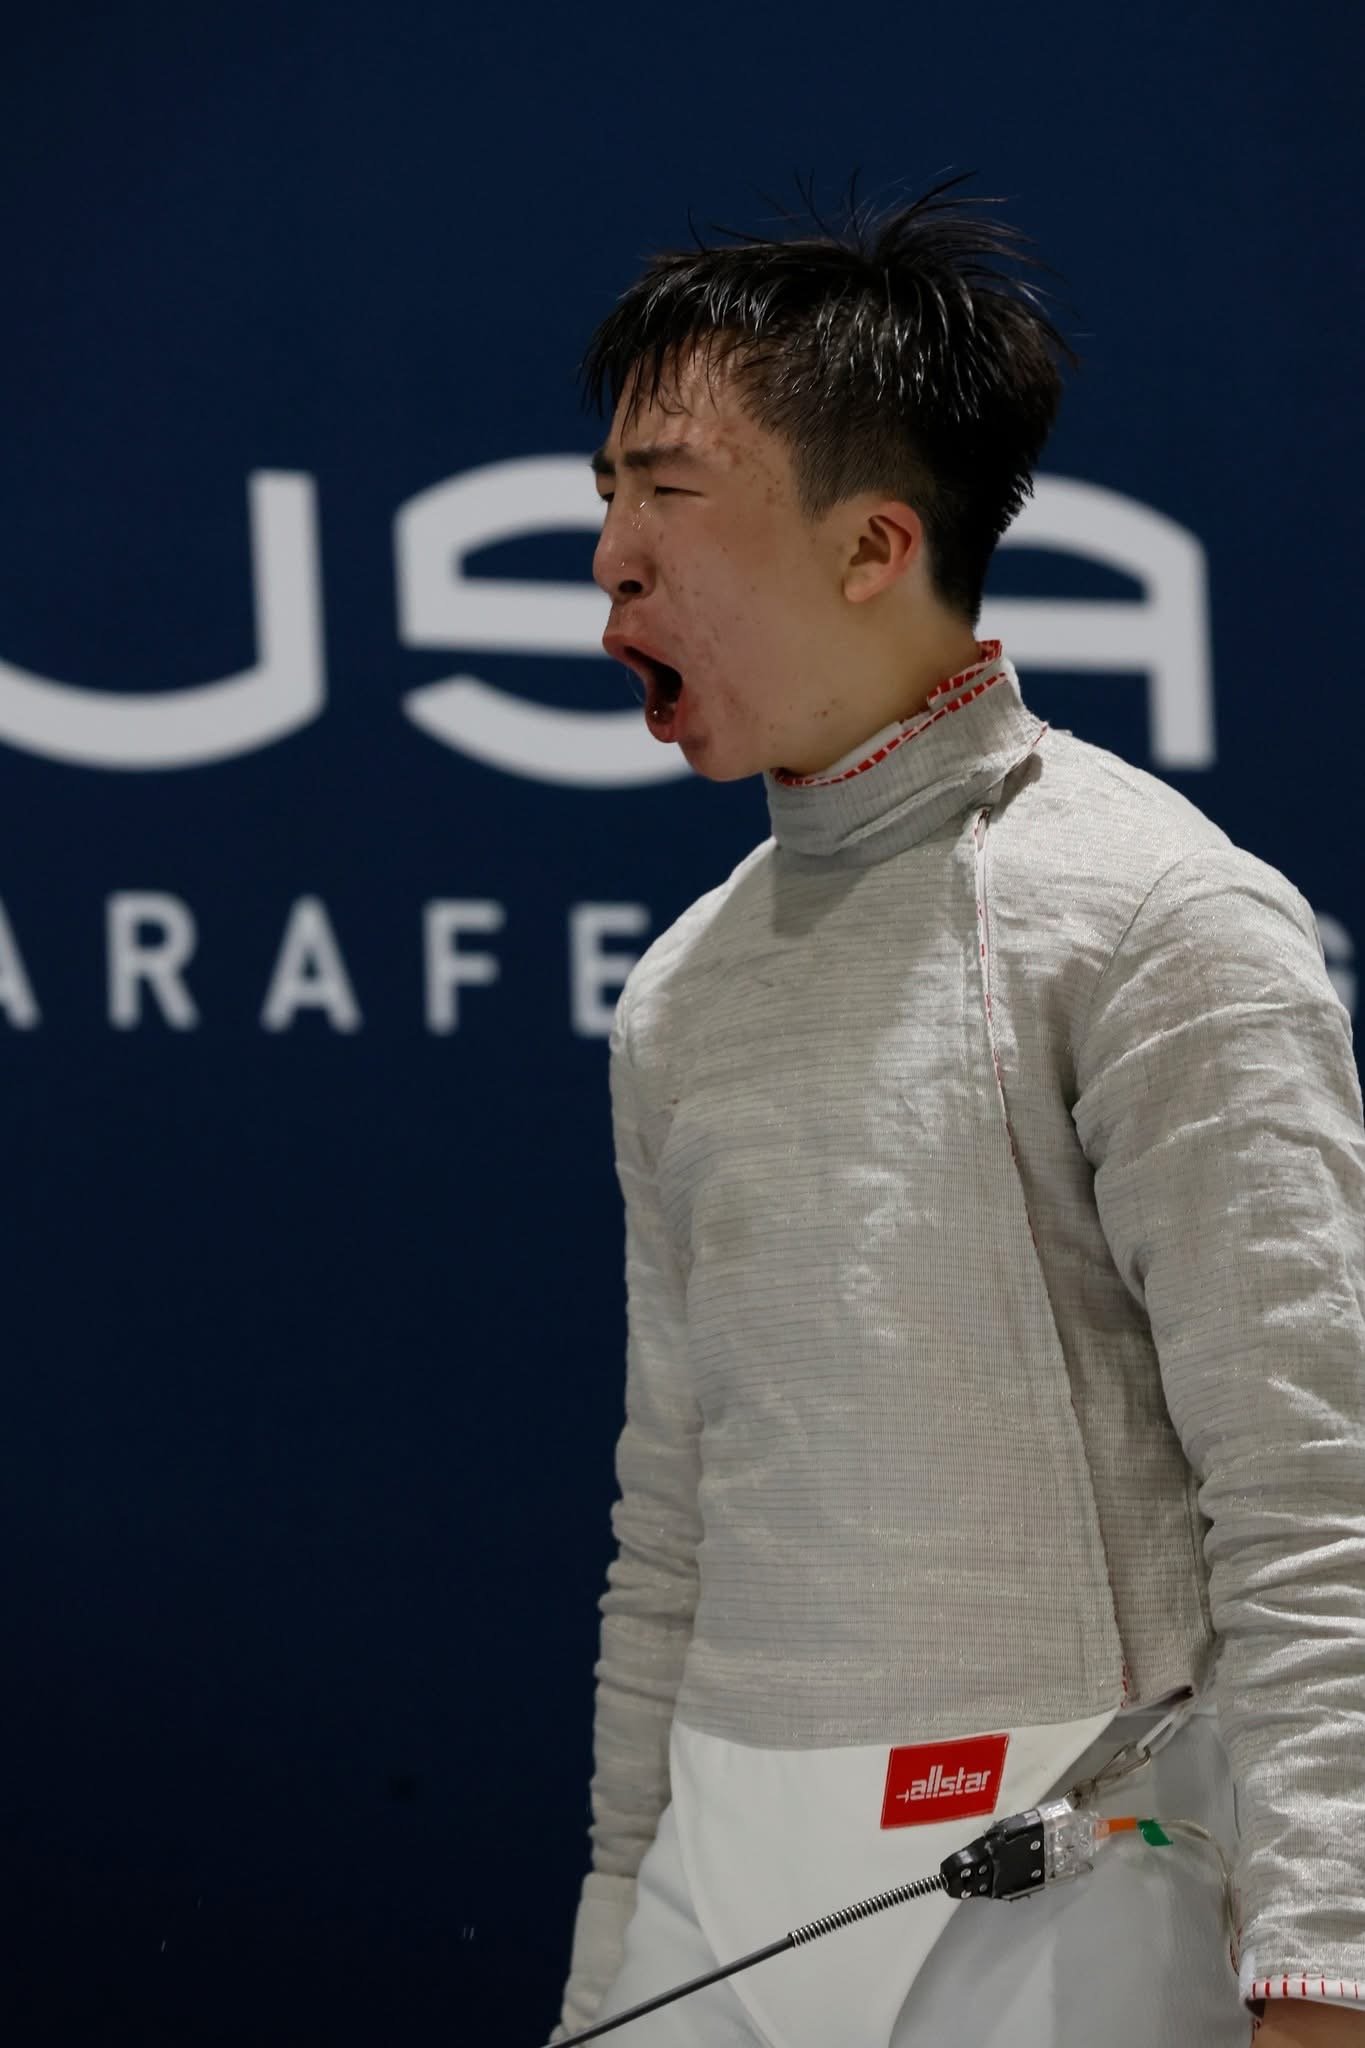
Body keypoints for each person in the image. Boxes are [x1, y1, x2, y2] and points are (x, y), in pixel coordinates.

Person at [552, 179, 1365, 2047]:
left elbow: (1312, 1501)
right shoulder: (687, 987)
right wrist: (612, 1962)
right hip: (721, 1882)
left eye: (664, 492)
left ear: (872, 545)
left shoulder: (1153, 914)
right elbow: (672, 1526)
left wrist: (1320, 1963)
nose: (608, 554)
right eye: (603, 491)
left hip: (1071, 1859)